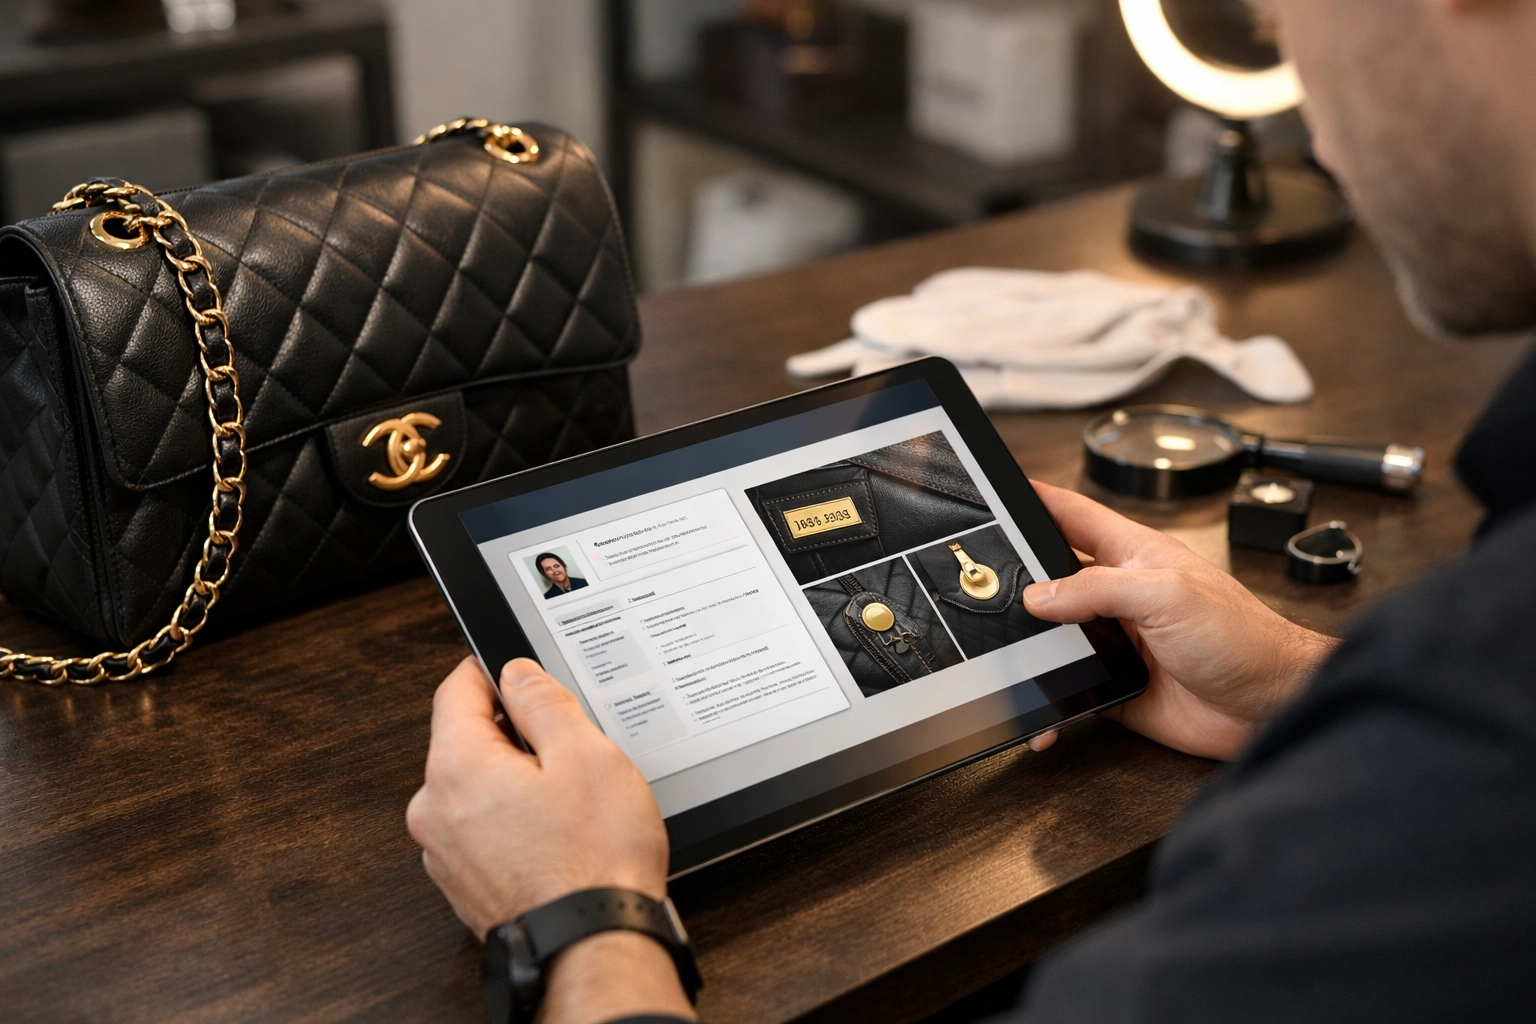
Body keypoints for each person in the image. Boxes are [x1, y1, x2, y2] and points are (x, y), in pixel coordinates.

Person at [406, 0, 1536, 1020]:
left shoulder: (1469, 745)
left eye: (1288, 28)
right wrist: (1298, 680)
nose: (1317, 135)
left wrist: (579, 917)